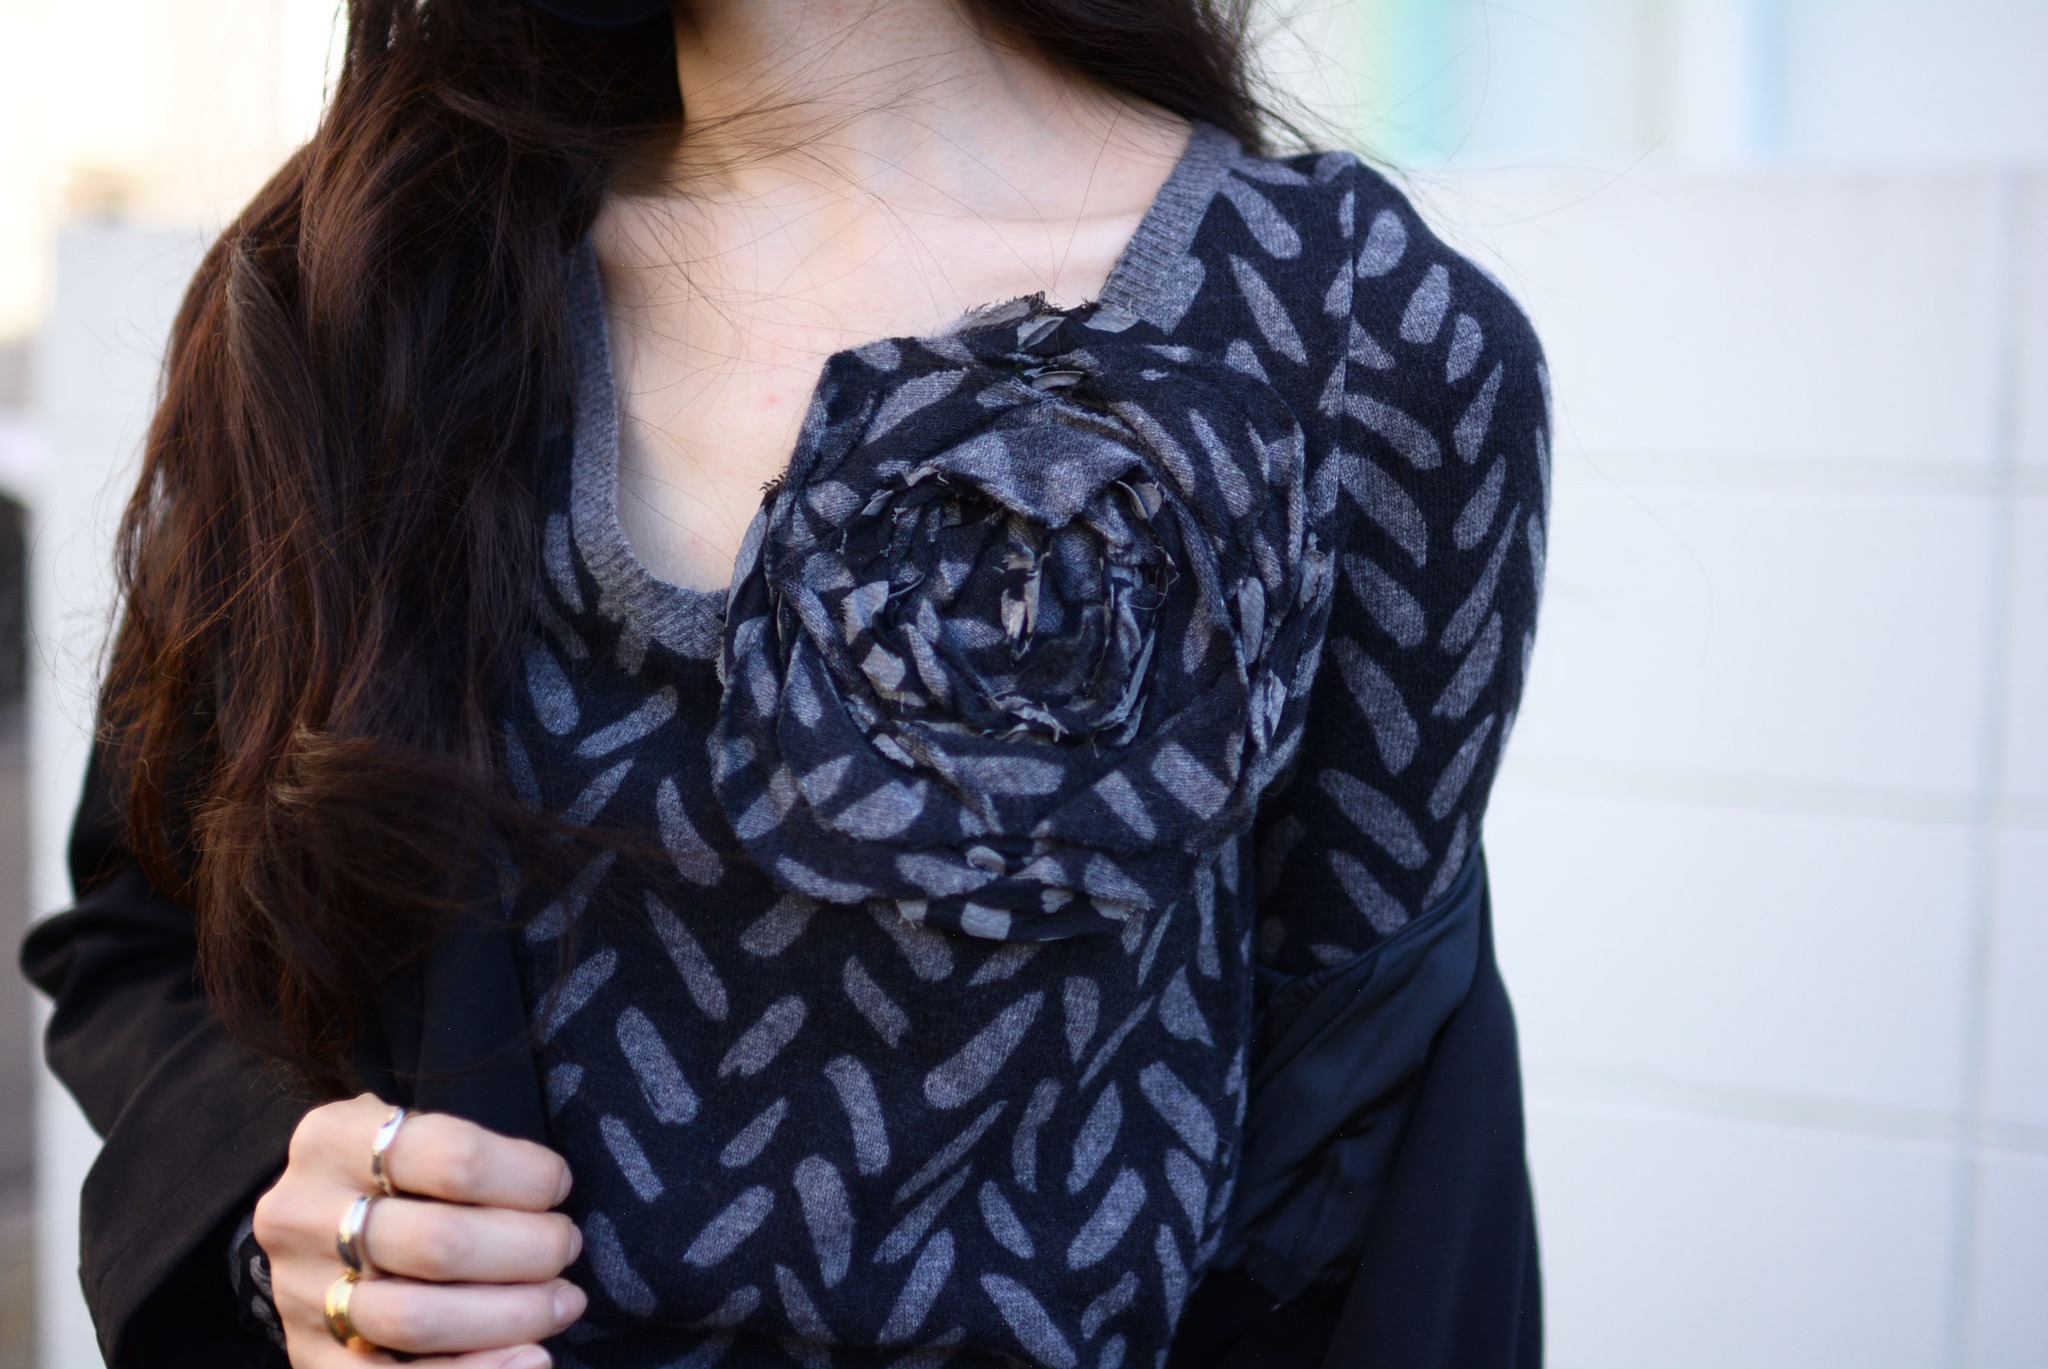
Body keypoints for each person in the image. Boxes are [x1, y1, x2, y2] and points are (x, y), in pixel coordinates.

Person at [21, 0, 1551, 1365]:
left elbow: (1363, 1185)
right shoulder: (363, 291)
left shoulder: (1360, 339)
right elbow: (151, 929)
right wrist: (292, 1212)